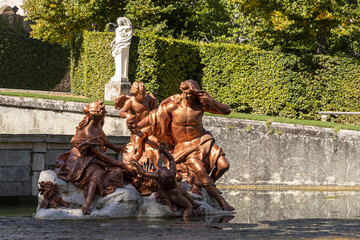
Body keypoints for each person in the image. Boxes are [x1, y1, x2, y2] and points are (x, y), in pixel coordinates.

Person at [136, 80, 234, 211]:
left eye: (190, 94)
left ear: (195, 93)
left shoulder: (201, 105)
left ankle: (206, 184)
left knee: (224, 166)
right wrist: (137, 126)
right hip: (185, 147)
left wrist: (212, 101)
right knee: (201, 172)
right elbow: (153, 118)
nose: (187, 96)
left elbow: (227, 111)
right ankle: (221, 202)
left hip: (203, 140)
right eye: (185, 93)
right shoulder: (173, 106)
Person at [54, 101, 131, 215]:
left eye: (102, 113)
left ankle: (104, 185)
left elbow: (103, 139)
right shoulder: (89, 132)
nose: (101, 115)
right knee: (97, 172)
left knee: (117, 171)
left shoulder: (98, 124)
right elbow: (102, 156)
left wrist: (116, 148)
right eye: (99, 113)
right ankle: (87, 203)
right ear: (92, 115)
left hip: (93, 158)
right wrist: (123, 164)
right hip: (80, 161)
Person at [130, 146, 200, 219]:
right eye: (163, 168)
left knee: (182, 189)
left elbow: (143, 173)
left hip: (168, 193)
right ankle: (186, 221)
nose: (162, 167)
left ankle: (194, 203)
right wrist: (164, 151)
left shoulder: (158, 176)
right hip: (175, 196)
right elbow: (171, 160)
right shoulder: (172, 173)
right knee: (188, 206)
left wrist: (137, 164)